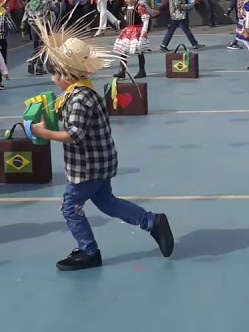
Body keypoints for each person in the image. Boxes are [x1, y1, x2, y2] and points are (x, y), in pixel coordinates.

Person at [27, 21, 175, 271]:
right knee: (108, 203)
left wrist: (44, 132)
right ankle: (152, 221)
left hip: (87, 168)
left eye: (54, 74)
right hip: (101, 162)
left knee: (70, 207)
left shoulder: (78, 99)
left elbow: (74, 134)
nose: (53, 79)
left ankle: (89, 251)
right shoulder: (86, 92)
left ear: (65, 74)